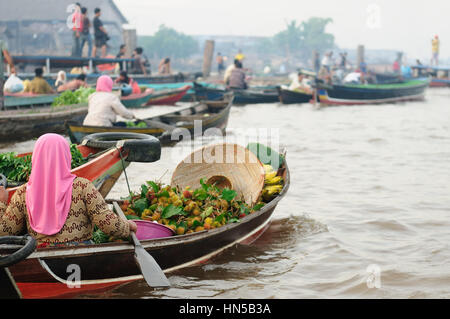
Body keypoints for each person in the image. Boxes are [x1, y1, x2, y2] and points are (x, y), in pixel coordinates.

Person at [0, 134, 137, 247]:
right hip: (81, 254)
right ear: (66, 156)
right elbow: (107, 224)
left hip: (39, 255)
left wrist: (1, 202)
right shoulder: (82, 187)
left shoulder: (22, 193)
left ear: (35, 157)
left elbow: (5, 232)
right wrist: (127, 227)